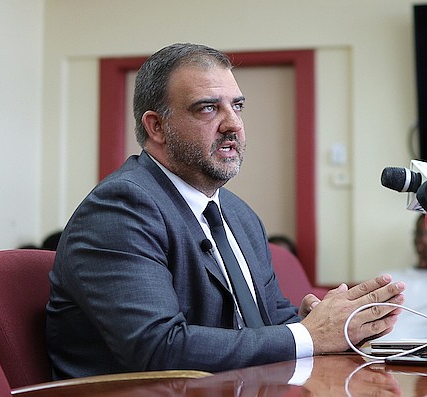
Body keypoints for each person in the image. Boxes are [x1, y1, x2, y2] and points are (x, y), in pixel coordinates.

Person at [46, 43, 405, 380]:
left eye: (237, 106)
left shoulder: (239, 214)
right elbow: (157, 349)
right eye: (208, 107)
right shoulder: (121, 208)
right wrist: (309, 336)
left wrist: (324, 322)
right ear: (156, 127)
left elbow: (274, 320)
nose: (233, 124)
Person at [379, 213, 427, 340]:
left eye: (426, 234)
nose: (421, 240)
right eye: (418, 233)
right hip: (374, 349)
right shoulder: (389, 278)